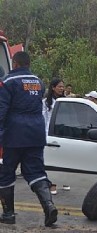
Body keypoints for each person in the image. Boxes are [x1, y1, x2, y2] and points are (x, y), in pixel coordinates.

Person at [0, 51, 57, 226]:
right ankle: (49, 206)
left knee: (6, 173)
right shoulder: (38, 82)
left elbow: (1, 111)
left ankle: (8, 214)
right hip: (36, 134)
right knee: (36, 172)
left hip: (14, 135)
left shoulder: (8, 82)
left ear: (15, 63)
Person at [42, 78, 70, 195]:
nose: (61, 88)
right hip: (51, 133)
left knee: (65, 158)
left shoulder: (66, 101)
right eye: (59, 86)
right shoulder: (45, 102)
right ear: (53, 87)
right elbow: (44, 119)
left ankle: (65, 181)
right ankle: (52, 184)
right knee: (53, 160)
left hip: (64, 132)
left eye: (62, 86)